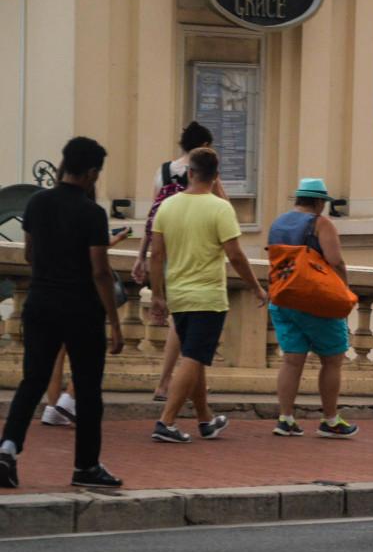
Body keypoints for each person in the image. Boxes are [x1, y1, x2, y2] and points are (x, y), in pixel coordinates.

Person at [0, 137, 125, 488]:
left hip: (40, 302)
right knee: (88, 389)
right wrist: (115, 323)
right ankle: (86, 467)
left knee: (32, 381)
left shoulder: (37, 203)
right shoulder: (92, 212)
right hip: (81, 308)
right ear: (90, 172)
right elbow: (99, 271)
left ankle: (7, 450)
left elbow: (29, 255)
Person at [148, 147, 268, 443]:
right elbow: (236, 255)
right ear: (216, 177)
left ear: (189, 172)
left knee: (196, 357)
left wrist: (157, 295)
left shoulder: (168, 206)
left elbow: (156, 255)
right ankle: (167, 421)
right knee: (193, 358)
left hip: (177, 294)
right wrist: (255, 286)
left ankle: (205, 420)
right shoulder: (220, 208)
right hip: (208, 296)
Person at [134, 122, 227, 403]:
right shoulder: (203, 173)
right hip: (197, 254)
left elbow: (153, 219)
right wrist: (216, 179)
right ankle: (166, 384)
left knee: (183, 319)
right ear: (207, 147)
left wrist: (142, 256)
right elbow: (225, 208)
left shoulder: (163, 172)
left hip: (166, 252)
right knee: (185, 321)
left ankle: (194, 385)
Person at [267, 178, 358, 438]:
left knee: (292, 361)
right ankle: (330, 420)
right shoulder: (321, 223)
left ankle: (285, 419)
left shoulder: (278, 223)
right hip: (315, 301)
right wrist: (345, 291)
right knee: (332, 360)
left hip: (283, 297)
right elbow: (336, 262)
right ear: (319, 201)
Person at [40, 225, 132, 427]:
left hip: (54, 290)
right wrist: (118, 238)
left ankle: (53, 407)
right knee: (88, 350)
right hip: (81, 292)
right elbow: (93, 252)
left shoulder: (51, 221)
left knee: (59, 350)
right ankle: (69, 399)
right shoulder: (84, 215)